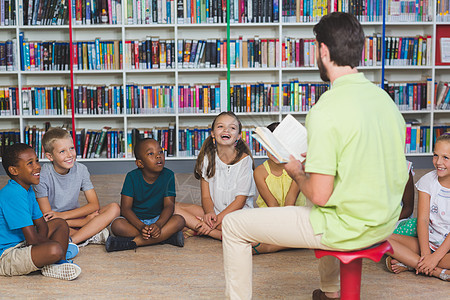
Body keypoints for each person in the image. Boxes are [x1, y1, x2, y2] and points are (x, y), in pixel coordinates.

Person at [221, 12, 408, 300]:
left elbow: (320, 196)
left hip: (347, 227)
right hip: (383, 221)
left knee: (233, 226)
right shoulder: (385, 100)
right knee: (317, 191)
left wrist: (296, 170)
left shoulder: (325, 109)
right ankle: (330, 292)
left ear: (323, 50)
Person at [0, 143, 81, 280]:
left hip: (23, 242)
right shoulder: (13, 193)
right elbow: (32, 238)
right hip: (7, 255)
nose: (37, 166)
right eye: (30, 163)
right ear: (14, 171)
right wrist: (54, 245)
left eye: (36, 160)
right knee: (55, 249)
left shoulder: (28, 189)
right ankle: (56, 257)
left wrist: (48, 243)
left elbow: (42, 225)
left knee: (60, 224)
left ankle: (58, 263)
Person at [174, 111, 255, 240]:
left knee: (241, 228)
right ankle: (214, 231)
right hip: (214, 213)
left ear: (239, 135)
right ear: (212, 133)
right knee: (172, 207)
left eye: (232, 128)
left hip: (237, 215)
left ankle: (200, 228)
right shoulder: (207, 159)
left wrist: (214, 222)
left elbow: (240, 201)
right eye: (220, 126)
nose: (226, 130)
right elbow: (206, 196)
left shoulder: (245, 161)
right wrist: (210, 213)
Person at [34, 128, 120, 247]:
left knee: (114, 208)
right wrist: (84, 222)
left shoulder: (81, 170)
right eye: (62, 151)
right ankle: (87, 235)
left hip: (73, 217)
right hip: (55, 222)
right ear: (50, 156)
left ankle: (73, 240)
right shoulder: (42, 176)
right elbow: (48, 216)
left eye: (72, 148)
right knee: (46, 228)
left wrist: (67, 217)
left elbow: (94, 205)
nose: (70, 155)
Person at [386, 134, 450, 281]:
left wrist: (435, 258)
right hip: (429, 241)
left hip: (447, 248)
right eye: (435, 155)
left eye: (446, 157)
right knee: (381, 238)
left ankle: (410, 263)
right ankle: (437, 272)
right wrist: (426, 254)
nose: (438, 162)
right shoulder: (427, 181)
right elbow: (423, 220)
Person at [105, 138, 185, 252]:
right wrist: (141, 226)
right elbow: (126, 209)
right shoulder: (131, 177)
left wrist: (158, 225)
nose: (158, 156)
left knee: (179, 220)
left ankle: (132, 243)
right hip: (136, 222)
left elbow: (169, 206)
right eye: (151, 153)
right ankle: (166, 238)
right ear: (140, 163)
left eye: (160, 151)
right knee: (117, 225)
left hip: (158, 219)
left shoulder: (169, 175)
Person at [252, 121, 311, 255]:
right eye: (271, 146)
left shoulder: (295, 168)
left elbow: (290, 203)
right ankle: (293, 243)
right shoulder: (259, 172)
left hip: (293, 215)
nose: (275, 151)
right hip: (271, 217)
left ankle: (270, 246)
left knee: (309, 225)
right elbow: (272, 205)